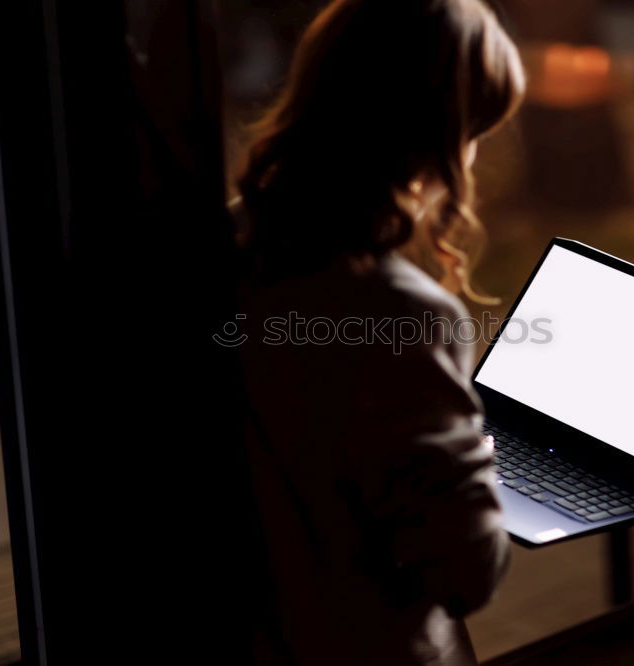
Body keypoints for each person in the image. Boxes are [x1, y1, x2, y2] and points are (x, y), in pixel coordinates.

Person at [232, 0, 525, 663]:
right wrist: (473, 440)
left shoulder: (233, 239)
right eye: (475, 129)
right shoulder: (399, 315)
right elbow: (469, 571)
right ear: (435, 137)